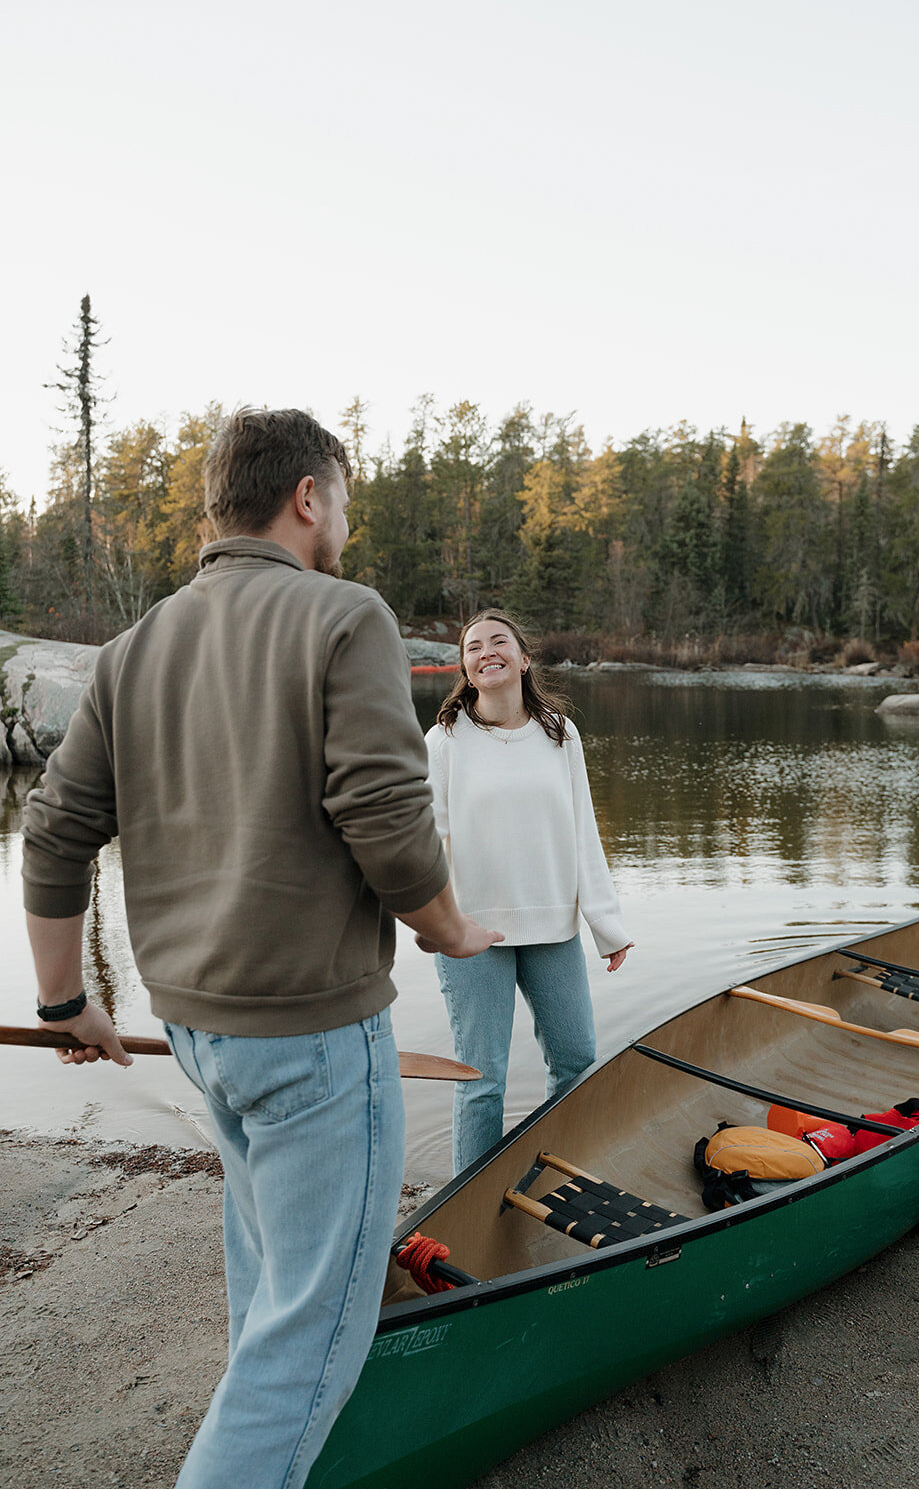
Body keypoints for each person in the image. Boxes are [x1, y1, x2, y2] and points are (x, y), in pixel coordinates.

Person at [21, 407, 499, 1489]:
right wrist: (452, 928)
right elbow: (384, 815)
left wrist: (66, 1003)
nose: (348, 519)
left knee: (275, 1286)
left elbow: (53, 829)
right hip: (314, 1037)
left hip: (197, 1030)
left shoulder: (137, 643)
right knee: (313, 1340)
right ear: (307, 497)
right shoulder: (345, 614)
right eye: (345, 496)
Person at [425, 608, 632, 1172]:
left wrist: (606, 926)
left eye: (499, 642)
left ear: (523, 658)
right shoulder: (444, 741)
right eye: (473, 647)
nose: (486, 651)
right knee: (481, 1079)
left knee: (576, 1063)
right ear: (465, 668)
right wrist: (439, 923)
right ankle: (467, 1205)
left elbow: (582, 832)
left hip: (551, 927)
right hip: (471, 934)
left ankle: (563, 1178)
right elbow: (427, 841)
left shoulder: (560, 735)